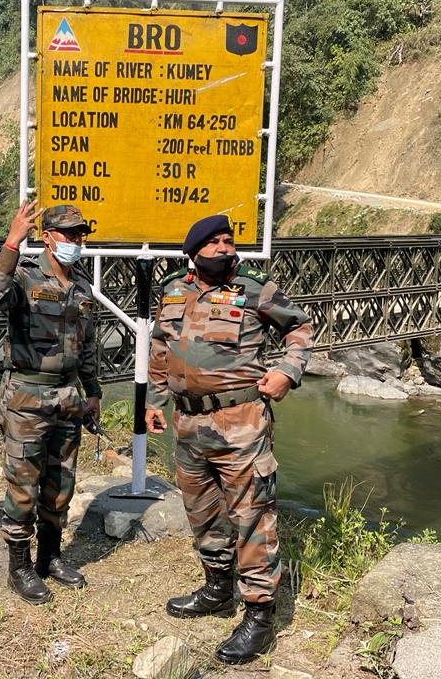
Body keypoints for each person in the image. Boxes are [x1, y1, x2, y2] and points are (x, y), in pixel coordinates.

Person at [145, 214, 314, 664]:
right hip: (188, 423)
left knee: (252, 518)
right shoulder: (174, 289)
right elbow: (162, 345)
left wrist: (286, 372)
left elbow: (300, 327)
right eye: (215, 241)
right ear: (193, 250)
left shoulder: (254, 288)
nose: (225, 247)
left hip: (240, 422)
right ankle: (217, 590)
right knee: (202, 512)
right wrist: (154, 402)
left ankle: (260, 617)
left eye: (229, 240)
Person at [0, 200, 102, 605]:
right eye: (68, 234)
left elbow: (86, 345)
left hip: (69, 397)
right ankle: (19, 565)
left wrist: (94, 392)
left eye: (80, 234)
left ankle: (50, 557)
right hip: (27, 396)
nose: (76, 240)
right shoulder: (24, 276)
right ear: (47, 237)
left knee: (61, 483)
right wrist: (12, 242)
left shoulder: (82, 285)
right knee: (24, 485)